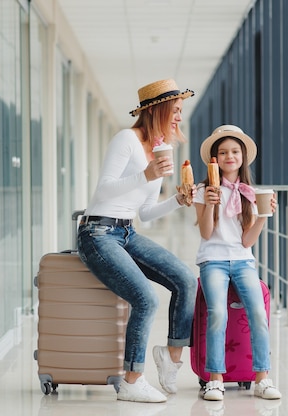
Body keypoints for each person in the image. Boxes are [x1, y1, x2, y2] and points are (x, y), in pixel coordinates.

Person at [77, 79, 198, 403]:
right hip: (98, 233)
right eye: (175, 111)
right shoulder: (127, 140)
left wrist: (178, 200)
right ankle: (132, 379)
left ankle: (171, 359)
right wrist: (146, 174)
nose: (178, 118)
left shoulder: (159, 148)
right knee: (146, 299)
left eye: (180, 112)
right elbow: (103, 190)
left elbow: (144, 212)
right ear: (156, 110)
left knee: (186, 279)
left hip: (127, 232)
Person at [193, 125, 281, 401]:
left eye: (234, 151)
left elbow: (246, 241)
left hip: (243, 261)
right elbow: (206, 233)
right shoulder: (201, 190)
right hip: (213, 260)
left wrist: (265, 214)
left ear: (242, 156)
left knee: (258, 313)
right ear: (214, 159)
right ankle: (215, 379)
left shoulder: (249, 193)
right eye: (223, 152)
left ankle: (262, 378)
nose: (229, 156)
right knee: (217, 313)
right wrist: (210, 202)